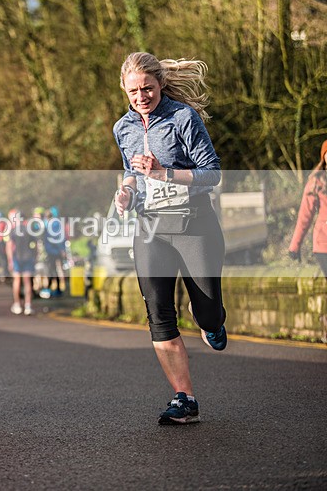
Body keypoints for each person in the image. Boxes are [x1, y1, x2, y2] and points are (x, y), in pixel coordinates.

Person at [112, 52, 227, 425]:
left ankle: (207, 318)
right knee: (159, 315)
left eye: (147, 88)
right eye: (134, 91)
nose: (141, 96)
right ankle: (184, 397)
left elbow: (212, 174)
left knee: (209, 311)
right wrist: (126, 193)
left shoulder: (182, 118)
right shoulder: (122, 128)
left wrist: (166, 173)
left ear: (160, 84)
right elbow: (131, 171)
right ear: (125, 91)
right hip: (150, 228)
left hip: (193, 225)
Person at [288, 140, 327, 278]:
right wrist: (295, 245)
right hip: (324, 245)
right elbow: (305, 216)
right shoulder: (316, 183)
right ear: (324, 157)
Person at [7, 209, 36, 315]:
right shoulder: (30, 230)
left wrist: (10, 261)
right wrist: (35, 257)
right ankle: (28, 305)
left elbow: (10, 246)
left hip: (17, 258)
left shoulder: (14, 231)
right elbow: (35, 246)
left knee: (17, 281)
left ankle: (17, 304)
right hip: (28, 258)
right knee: (28, 282)